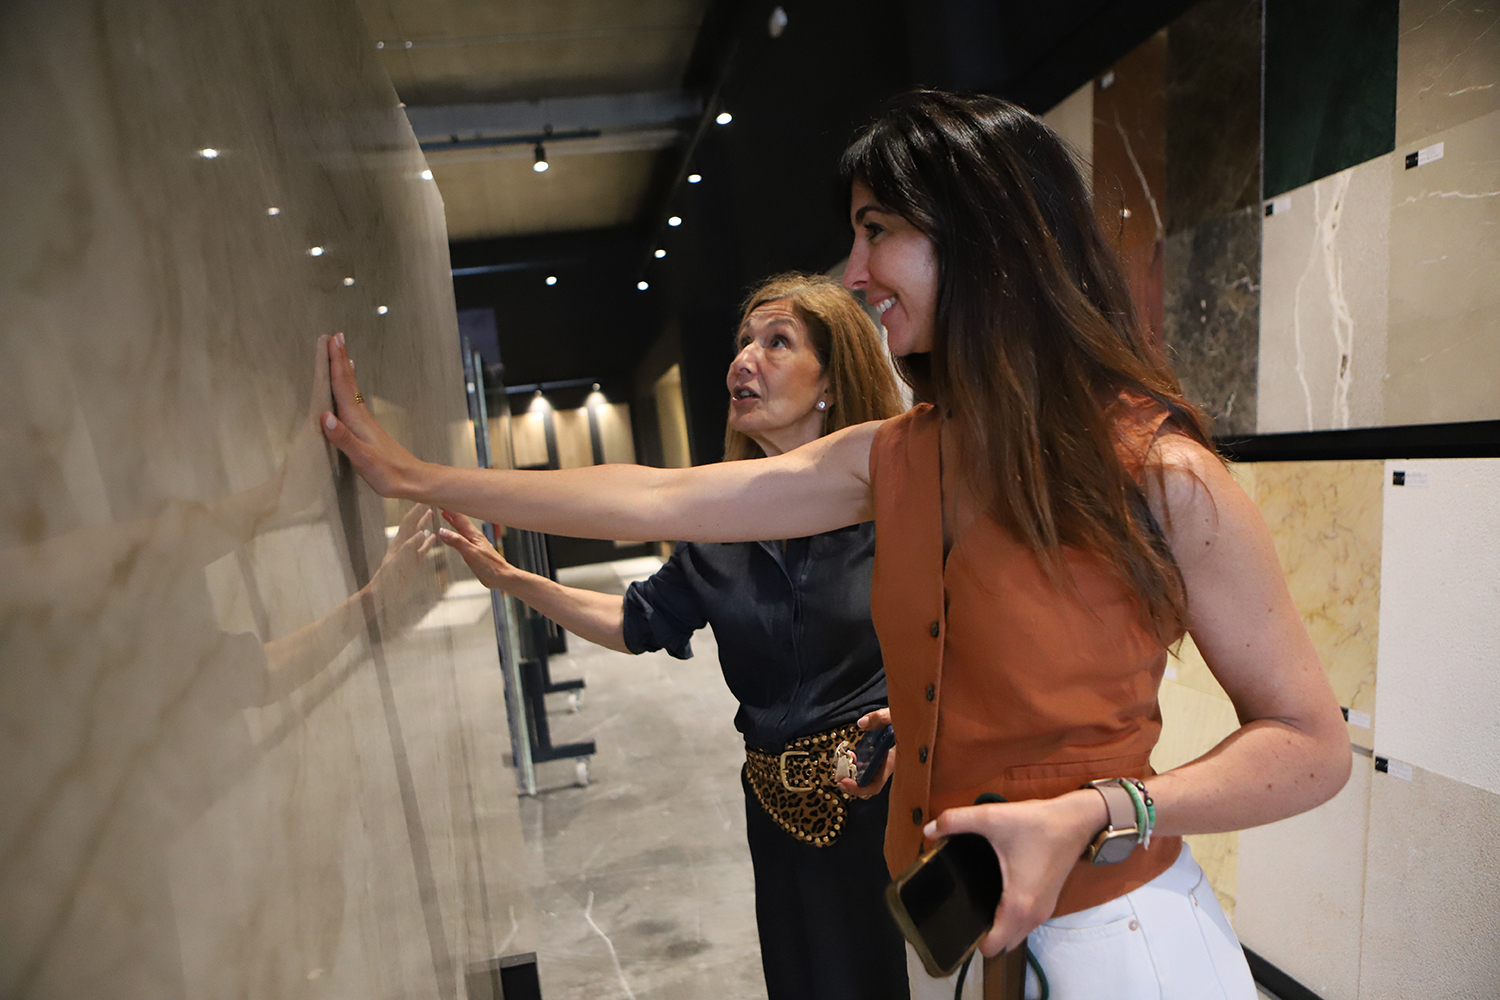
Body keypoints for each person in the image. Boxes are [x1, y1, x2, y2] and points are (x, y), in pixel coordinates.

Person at [319, 93, 1351, 1000]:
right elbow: (660, 494)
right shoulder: (897, 457)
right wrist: (420, 477)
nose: (854, 273)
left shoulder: (1160, 471)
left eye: (878, 231)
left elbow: (1311, 745)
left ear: (984, 234)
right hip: (952, 934)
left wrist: (1103, 808)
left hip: (1116, 942)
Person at [434, 273, 911, 1000]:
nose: (743, 360)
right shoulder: (717, 532)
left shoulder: (897, 502)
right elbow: (635, 623)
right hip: (776, 817)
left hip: (888, 800)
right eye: (743, 342)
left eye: (777, 342)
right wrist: (513, 581)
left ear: (832, 382)